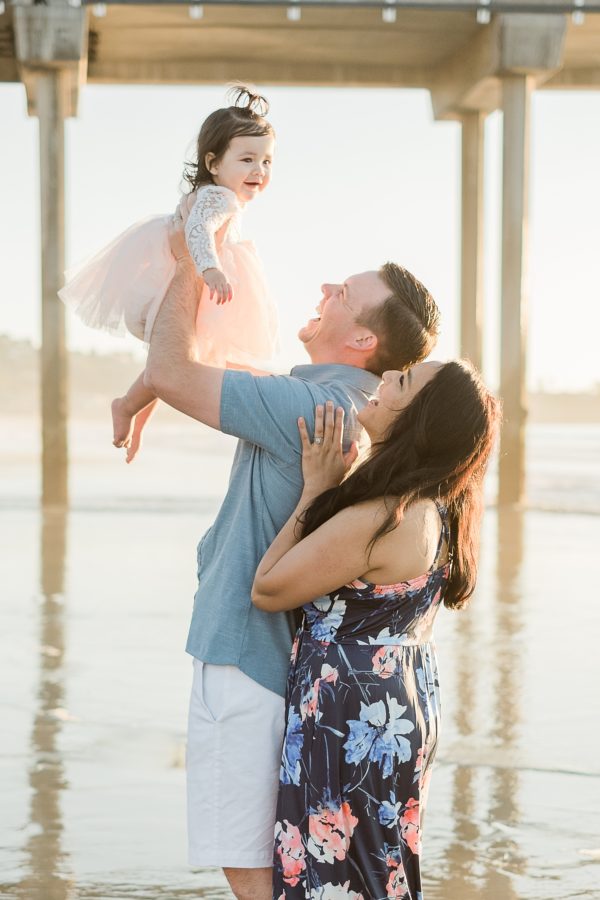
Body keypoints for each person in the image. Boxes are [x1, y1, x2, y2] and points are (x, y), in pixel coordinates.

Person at [144, 203, 441, 899]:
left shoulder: (318, 409)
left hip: (245, 655)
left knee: (247, 864)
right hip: (286, 665)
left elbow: (170, 369)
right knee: (279, 863)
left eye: (345, 293)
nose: (327, 288)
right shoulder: (338, 405)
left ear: (364, 338)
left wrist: (195, 253)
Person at [251, 362, 500, 899]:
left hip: (356, 714)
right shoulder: (439, 509)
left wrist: (316, 490)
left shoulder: (387, 515)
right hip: (397, 702)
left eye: (403, 381)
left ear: (418, 421)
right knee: (375, 870)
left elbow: (268, 588)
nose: (386, 374)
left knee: (340, 874)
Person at [59, 85, 278, 462]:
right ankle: (128, 406)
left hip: (176, 280)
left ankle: (134, 411)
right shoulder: (219, 197)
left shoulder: (213, 194)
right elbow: (199, 231)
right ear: (213, 163)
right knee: (185, 359)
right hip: (190, 281)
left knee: (176, 360)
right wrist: (211, 269)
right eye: (246, 160)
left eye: (266, 161)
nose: (258, 170)